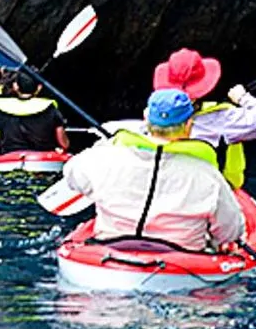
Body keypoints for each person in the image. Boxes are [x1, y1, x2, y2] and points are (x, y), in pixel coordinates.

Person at [55, 89, 245, 252]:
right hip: (182, 259)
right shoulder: (208, 174)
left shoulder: (104, 157)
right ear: (188, 125)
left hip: (110, 249)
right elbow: (231, 230)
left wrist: (107, 145)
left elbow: (72, 175)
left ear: (146, 121)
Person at [152, 48, 256, 188]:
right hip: (213, 192)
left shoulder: (153, 117)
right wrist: (242, 98)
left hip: (165, 187)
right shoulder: (224, 119)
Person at [0, 70, 70, 166]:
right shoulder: (51, 110)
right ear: (39, 87)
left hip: (6, 158)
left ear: (16, 86)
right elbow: (64, 144)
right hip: (42, 160)